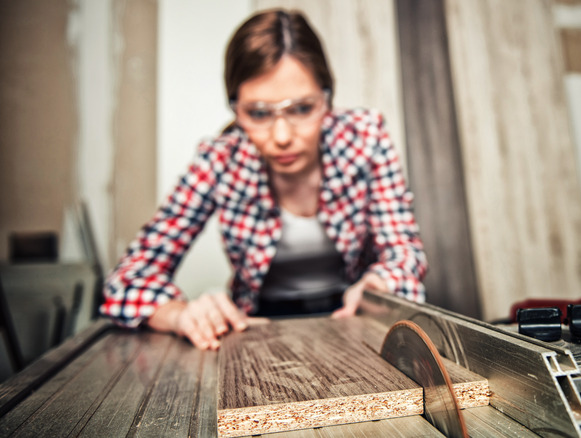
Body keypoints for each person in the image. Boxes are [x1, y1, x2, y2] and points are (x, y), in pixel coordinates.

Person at [101, 9, 427, 350]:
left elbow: (404, 254)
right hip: (256, 330)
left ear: (327, 99)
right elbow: (127, 280)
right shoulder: (219, 159)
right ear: (235, 109)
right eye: (258, 113)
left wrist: (380, 285)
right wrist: (180, 314)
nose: (282, 136)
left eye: (302, 108)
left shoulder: (366, 137)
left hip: (357, 318)